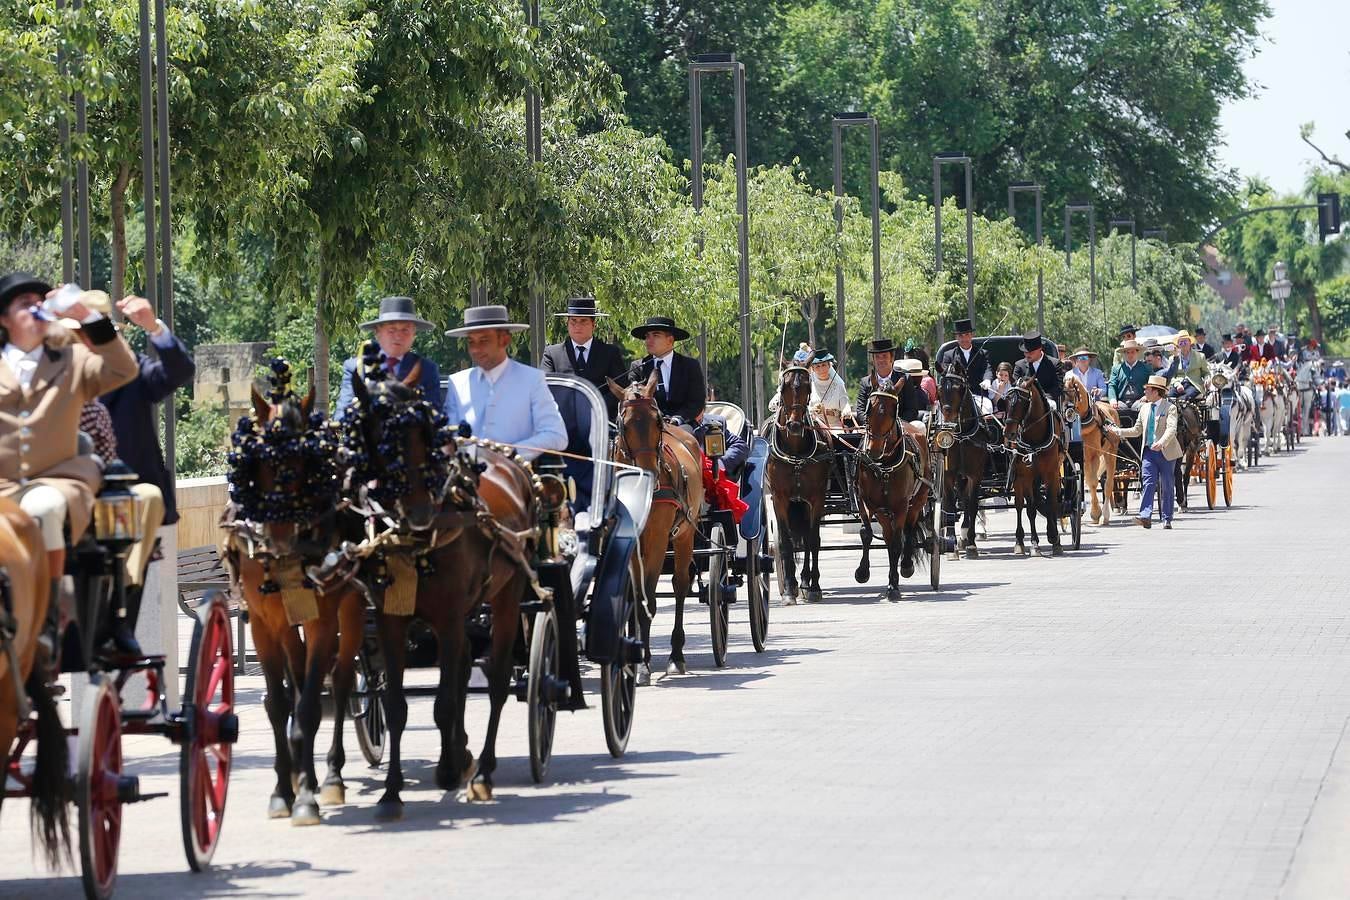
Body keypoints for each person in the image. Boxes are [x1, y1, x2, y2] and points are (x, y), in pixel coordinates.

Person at [0, 272, 139, 656]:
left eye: (38, 301)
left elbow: (123, 370)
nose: (33, 307)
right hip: (2, 487)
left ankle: (47, 622)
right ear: (4, 319)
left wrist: (88, 317)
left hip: (58, 480)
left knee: (41, 509)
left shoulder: (73, 360)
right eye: (22, 303)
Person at [67, 291, 195, 655]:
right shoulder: (52, 374)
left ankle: (119, 618)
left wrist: (153, 327)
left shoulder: (132, 371)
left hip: (123, 506)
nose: (82, 342)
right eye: (76, 334)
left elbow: (179, 371)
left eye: (90, 333)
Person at [442, 304, 567, 461]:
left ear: (505, 340)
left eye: (484, 340)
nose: (475, 349)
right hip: (466, 478)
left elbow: (557, 435)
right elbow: (448, 436)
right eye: (471, 342)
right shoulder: (457, 382)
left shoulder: (532, 380)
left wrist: (514, 453)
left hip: (516, 477)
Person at [335, 296, 442, 418]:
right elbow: (342, 414)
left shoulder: (427, 369)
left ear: (414, 334)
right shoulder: (358, 368)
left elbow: (435, 416)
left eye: (405, 330)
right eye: (391, 330)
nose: (398, 336)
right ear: (377, 332)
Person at [1106, 374, 1181, 529]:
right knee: (1148, 483)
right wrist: (1118, 431)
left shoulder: (1170, 408)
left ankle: (1167, 518)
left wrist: (1161, 443)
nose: (1145, 392)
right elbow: (1137, 430)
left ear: (1156, 392)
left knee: (1167, 485)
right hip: (1148, 452)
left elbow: (1171, 429)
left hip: (1166, 452)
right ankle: (1145, 516)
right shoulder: (1145, 408)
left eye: (1147, 389)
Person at [541, 294, 628, 419]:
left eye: (583, 321)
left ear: (594, 325)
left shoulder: (610, 353)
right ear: (567, 324)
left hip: (602, 422)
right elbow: (545, 387)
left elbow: (621, 387)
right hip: (564, 421)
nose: (577, 326)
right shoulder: (552, 353)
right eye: (573, 321)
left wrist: (596, 405)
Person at [623, 315, 705, 425]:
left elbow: (696, 402)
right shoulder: (638, 367)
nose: (649, 340)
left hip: (683, 424)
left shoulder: (689, 365)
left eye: (656, 335)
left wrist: (678, 419)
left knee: (686, 440)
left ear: (670, 340)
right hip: (649, 425)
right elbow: (633, 399)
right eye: (647, 336)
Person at [1011, 331, 1063, 410]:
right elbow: (1014, 385)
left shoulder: (1055, 364)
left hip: (1047, 405)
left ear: (1040, 349)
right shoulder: (1019, 365)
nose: (1027, 355)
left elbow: (1058, 386)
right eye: (1025, 352)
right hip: (1025, 406)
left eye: (1031, 352)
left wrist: (1046, 399)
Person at [805, 350, 854, 428]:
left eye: (824, 365)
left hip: (835, 426)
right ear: (813, 369)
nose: (821, 369)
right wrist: (812, 409)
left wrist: (846, 410)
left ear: (829, 366)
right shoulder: (808, 384)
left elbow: (844, 402)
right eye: (817, 366)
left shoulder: (838, 384)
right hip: (814, 425)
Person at [854, 338, 898, 424]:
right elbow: (860, 410)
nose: (881, 360)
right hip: (872, 429)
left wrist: (894, 423)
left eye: (884, 356)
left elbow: (911, 410)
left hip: (898, 429)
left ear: (892, 358)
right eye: (877, 357)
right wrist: (871, 424)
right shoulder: (865, 382)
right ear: (873, 360)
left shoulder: (904, 379)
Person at [1163, 330, 1208, 401]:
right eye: (1181, 342)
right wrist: (1177, 384)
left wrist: (1207, 379)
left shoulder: (1200, 356)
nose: (1183, 344)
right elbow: (1171, 376)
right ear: (1178, 344)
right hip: (1179, 384)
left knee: (1184, 398)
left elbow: (1206, 373)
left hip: (1194, 385)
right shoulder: (1173, 358)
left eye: (1185, 342)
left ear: (1190, 342)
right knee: (1169, 398)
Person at [1109, 339, 1150, 410]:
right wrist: (1113, 400)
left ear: (1137, 353)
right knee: (1112, 411)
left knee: (1145, 408)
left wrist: (1147, 396)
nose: (1130, 355)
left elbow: (1153, 384)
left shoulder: (1146, 368)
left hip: (1140, 401)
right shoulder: (1116, 368)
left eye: (1132, 352)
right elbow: (1112, 385)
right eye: (1127, 352)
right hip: (1121, 402)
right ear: (1124, 354)